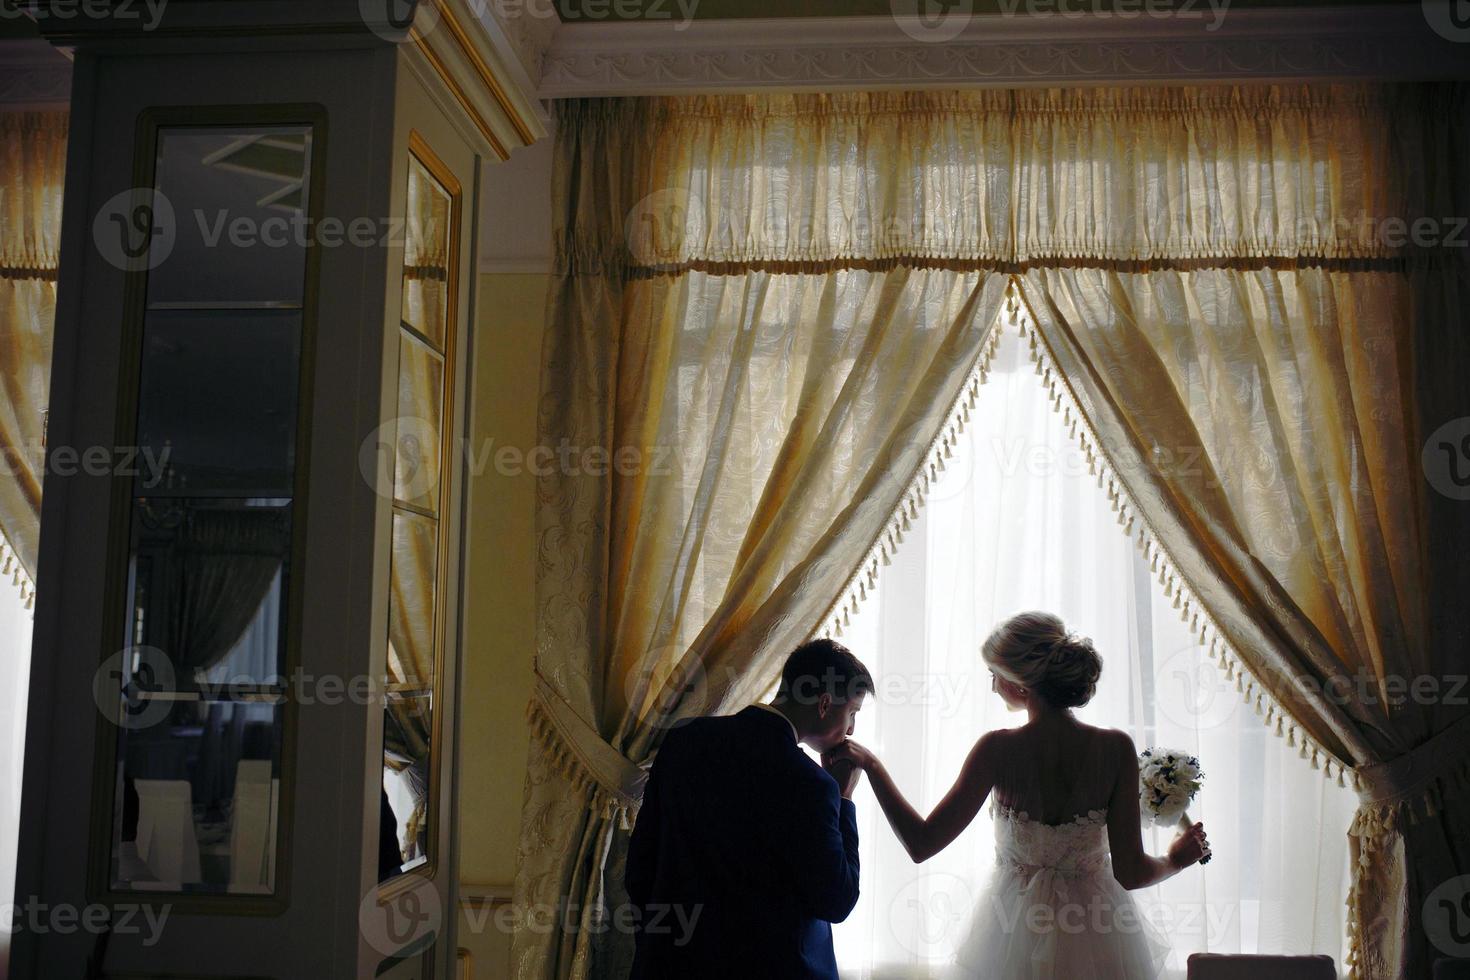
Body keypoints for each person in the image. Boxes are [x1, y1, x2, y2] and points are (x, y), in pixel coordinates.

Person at [829, 611, 1211, 979]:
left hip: (1011, 930)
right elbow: (1132, 873)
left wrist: (872, 767)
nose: (993, 686)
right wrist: (1175, 860)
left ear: (1020, 682)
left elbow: (921, 843)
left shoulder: (997, 750)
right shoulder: (1115, 748)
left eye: (994, 675)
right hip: (1100, 928)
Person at [626, 638, 873, 980]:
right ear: (825, 703)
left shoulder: (684, 741)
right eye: (852, 713)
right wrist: (845, 798)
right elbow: (836, 900)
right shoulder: (811, 785)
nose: (851, 730)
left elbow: (640, 866)